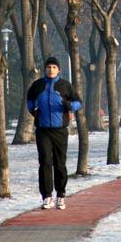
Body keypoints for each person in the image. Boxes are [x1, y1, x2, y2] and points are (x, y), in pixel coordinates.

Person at [27, 56, 82, 210]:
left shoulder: (65, 86)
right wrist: (33, 110)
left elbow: (79, 103)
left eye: (54, 67)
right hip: (43, 130)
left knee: (60, 164)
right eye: (48, 67)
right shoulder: (37, 85)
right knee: (45, 162)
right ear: (45, 69)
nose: (51, 70)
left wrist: (69, 105)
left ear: (59, 70)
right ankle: (46, 196)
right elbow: (29, 100)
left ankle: (61, 195)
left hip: (60, 130)